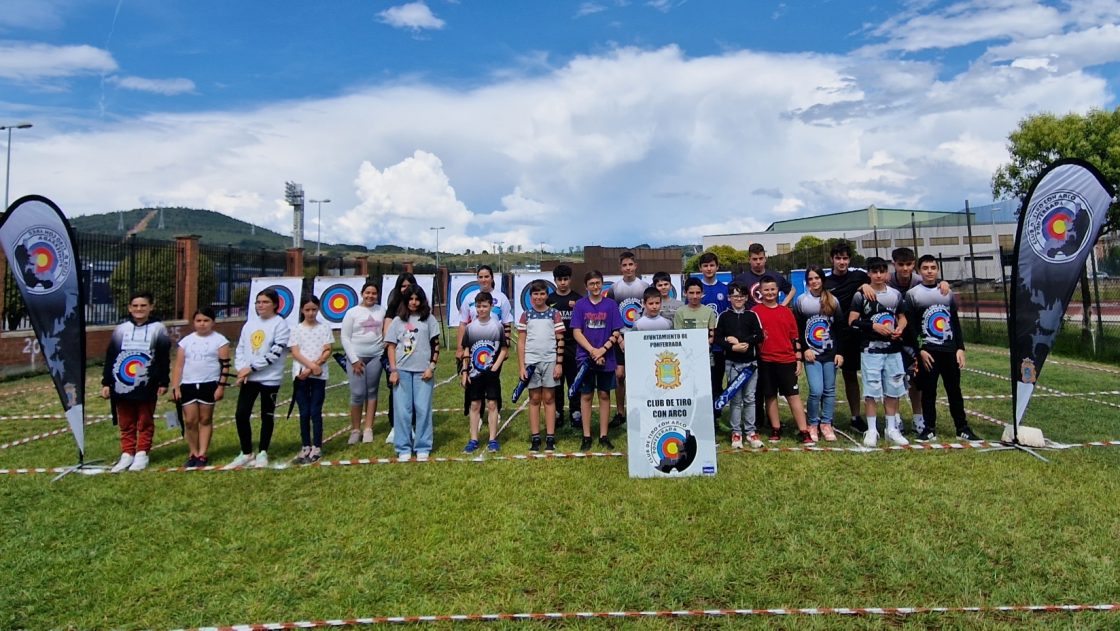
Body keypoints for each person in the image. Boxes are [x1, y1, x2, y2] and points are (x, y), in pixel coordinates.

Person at [905, 255, 980, 442]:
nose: (929, 271)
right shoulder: (913, 294)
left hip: (949, 350)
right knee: (928, 391)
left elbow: (954, 321)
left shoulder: (947, 292)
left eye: (932, 267)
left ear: (937, 270)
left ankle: (962, 427)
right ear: (919, 271)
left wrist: (960, 348)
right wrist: (920, 350)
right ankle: (929, 428)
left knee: (954, 390)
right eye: (925, 268)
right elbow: (912, 326)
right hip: (929, 351)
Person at [102, 291, 171, 473]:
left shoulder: (159, 328)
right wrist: (106, 382)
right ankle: (127, 453)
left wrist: (164, 381)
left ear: (151, 307)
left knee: (144, 419)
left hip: (147, 383)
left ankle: (142, 453)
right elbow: (111, 356)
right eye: (135, 306)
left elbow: (164, 357)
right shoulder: (121, 329)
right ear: (129, 308)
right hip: (121, 382)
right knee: (126, 420)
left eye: (143, 306)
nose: (139, 309)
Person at [848, 257, 909, 447]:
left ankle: (891, 428)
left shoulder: (895, 294)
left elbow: (902, 317)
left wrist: (900, 328)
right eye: (874, 272)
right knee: (872, 390)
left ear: (887, 273)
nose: (879, 275)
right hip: (871, 350)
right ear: (869, 274)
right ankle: (872, 429)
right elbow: (852, 322)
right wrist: (873, 326)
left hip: (893, 350)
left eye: (882, 271)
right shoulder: (861, 296)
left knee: (893, 389)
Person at [227, 288, 291, 469]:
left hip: (269, 379)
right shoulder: (249, 324)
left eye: (265, 302)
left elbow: (275, 353)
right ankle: (246, 452)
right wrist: (241, 369)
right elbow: (240, 348)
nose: (261, 306)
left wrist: (251, 368)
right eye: (258, 302)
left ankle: (263, 451)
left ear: (275, 305)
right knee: (241, 414)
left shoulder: (280, 324)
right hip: (249, 378)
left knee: (266, 415)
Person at [752, 276, 814, 444]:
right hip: (765, 361)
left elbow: (795, 337)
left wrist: (798, 359)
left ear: (778, 291)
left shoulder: (787, 312)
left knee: (793, 395)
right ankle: (775, 428)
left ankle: (804, 430)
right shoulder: (755, 312)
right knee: (770, 395)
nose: (770, 293)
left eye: (773, 289)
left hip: (786, 360)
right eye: (766, 290)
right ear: (760, 292)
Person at [385, 285, 441, 461]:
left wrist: (431, 367)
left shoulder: (429, 320)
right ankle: (403, 447)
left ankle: (423, 445)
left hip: (423, 372)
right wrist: (393, 370)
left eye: (417, 299)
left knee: (423, 409)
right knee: (402, 411)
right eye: (410, 299)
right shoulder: (397, 321)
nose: (414, 302)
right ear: (405, 301)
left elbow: (435, 345)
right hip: (402, 372)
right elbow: (391, 347)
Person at [571, 270, 624, 451]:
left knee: (603, 395)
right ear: (586, 286)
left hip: (606, 357)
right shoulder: (580, 305)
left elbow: (616, 331)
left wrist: (602, 350)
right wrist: (593, 351)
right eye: (592, 283)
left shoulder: (610, 305)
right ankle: (586, 436)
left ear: (602, 284)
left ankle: (603, 435)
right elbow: (576, 331)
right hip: (585, 357)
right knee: (585, 395)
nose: (595, 286)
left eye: (598, 283)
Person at [170, 308, 230, 468]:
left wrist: (220, 387)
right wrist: (176, 387)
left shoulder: (220, 340)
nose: (202, 324)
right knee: (190, 420)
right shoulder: (186, 342)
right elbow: (179, 366)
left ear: (212, 322)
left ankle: (202, 453)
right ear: (194, 322)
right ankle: (193, 452)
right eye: (198, 321)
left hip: (209, 384)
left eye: (206, 320)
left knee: (205, 419)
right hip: (188, 385)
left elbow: (225, 366)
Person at [823, 241, 871, 433]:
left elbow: (881, 280)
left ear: (849, 259)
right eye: (838, 258)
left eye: (845, 258)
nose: (841, 262)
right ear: (832, 259)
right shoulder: (826, 281)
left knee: (851, 375)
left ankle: (855, 417)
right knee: (827, 379)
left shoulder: (859, 276)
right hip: (831, 335)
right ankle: (826, 419)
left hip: (854, 335)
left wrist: (867, 285)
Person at [793, 266, 842, 442]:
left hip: (829, 352)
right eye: (810, 279)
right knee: (816, 390)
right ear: (807, 281)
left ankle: (826, 423)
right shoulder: (801, 301)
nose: (814, 282)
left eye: (817, 278)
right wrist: (805, 348)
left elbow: (839, 328)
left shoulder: (832, 300)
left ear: (822, 279)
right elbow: (797, 327)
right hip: (811, 353)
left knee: (829, 390)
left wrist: (839, 352)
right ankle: (813, 423)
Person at [714, 282, 764, 448]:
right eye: (735, 296)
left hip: (751, 364)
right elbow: (718, 338)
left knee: (750, 398)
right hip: (732, 364)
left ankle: (750, 431)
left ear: (746, 297)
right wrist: (732, 346)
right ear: (729, 298)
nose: (738, 299)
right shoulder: (723, 316)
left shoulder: (752, 315)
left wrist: (743, 342)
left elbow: (759, 335)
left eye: (741, 296)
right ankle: (736, 432)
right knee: (735, 399)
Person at [516, 281, 564, 452]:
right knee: (534, 399)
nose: (539, 297)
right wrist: (522, 366)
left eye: (542, 294)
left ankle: (550, 437)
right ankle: (535, 438)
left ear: (547, 295)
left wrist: (558, 363)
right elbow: (521, 342)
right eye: (535, 294)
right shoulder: (526, 315)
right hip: (531, 362)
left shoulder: (554, 314)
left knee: (549, 399)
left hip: (550, 361)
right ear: (530, 297)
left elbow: (560, 340)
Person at [460, 292, 509, 453]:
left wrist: (495, 366)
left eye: (485, 306)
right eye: (478, 306)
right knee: (475, 404)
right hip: (475, 373)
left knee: (492, 403)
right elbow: (466, 350)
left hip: (491, 373)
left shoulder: (497, 326)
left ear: (491, 307)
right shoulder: (470, 328)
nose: (481, 309)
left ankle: (492, 439)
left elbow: (503, 349)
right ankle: (473, 439)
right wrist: (465, 371)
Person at [606, 251, 649, 428]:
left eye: (631, 264)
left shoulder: (645, 286)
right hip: (620, 338)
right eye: (624, 265)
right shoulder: (614, 289)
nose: (628, 268)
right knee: (619, 375)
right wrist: (619, 338)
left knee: (640, 376)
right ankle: (620, 412)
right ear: (620, 267)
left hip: (639, 337)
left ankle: (640, 411)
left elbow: (650, 312)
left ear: (636, 266)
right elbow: (612, 315)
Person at [289, 295, 334, 464]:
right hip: (301, 375)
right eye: (307, 310)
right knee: (304, 412)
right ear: (302, 310)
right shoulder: (296, 329)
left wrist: (316, 366)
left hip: (318, 375)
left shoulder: (324, 328)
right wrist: (309, 367)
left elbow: (327, 349)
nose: (310, 313)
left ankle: (317, 445)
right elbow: (295, 352)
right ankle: (305, 445)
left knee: (315, 411)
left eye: (314, 309)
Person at [341, 282, 385, 445]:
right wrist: (353, 359)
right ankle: (355, 429)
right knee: (358, 393)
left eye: (374, 293)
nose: (370, 296)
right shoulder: (352, 313)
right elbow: (345, 337)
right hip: (356, 358)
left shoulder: (382, 311)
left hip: (376, 357)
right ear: (362, 293)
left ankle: (368, 428)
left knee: (372, 392)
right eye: (367, 293)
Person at [382, 273, 418, 444]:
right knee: (396, 391)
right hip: (396, 356)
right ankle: (396, 427)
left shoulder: (419, 307)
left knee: (414, 393)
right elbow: (388, 333)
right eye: (403, 286)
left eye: (409, 286)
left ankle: (412, 426)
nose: (406, 290)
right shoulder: (393, 307)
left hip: (415, 356)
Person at [547, 264, 582, 430]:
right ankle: (558, 412)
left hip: (574, 345)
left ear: (570, 279)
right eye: (559, 279)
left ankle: (576, 412)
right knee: (557, 381)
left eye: (565, 279)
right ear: (555, 281)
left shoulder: (578, 299)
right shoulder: (550, 300)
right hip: (555, 346)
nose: (563, 282)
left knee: (574, 380)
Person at [697, 252, 730, 418]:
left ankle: (716, 413)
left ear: (717, 267)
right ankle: (703, 413)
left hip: (719, 344)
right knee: (702, 381)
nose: (709, 269)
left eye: (712, 265)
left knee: (717, 379)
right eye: (705, 266)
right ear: (700, 268)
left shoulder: (724, 289)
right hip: (699, 345)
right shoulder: (696, 290)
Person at [456, 265, 513, 357]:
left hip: (494, 344)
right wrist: (460, 348)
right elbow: (463, 323)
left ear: (492, 278)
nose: (483, 280)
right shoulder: (469, 297)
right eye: (480, 277)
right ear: (477, 279)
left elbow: (506, 324)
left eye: (486, 276)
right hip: (473, 342)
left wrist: (505, 347)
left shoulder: (502, 297)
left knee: (492, 369)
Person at [733, 243, 796, 308]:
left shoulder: (776, 276)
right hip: (751, 317)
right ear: (749, 260)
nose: (758, 262)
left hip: (772, 316)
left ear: (765, 259)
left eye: (761, 258)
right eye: (755, 259)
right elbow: (732, 296)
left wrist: (782, 307)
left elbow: (792, 290)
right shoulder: (740, 279)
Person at [673, 278, 716, 345]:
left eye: (698, 293)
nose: (695, 296)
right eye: (691, 293)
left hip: (705, 350)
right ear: (685, 293)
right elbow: (679, 335)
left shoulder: (709, 312)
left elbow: (711, 336)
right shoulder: (680, 312)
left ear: (702, 293)